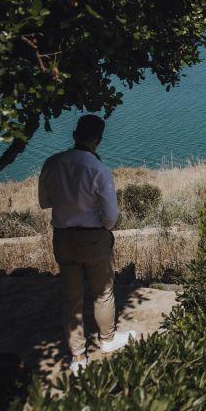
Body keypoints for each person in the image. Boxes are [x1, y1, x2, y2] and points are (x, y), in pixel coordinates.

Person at [38, 114, 135, 375]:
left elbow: (45, 201)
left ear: (74, 135)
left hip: (63, 237)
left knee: (71, 298)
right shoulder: (99, 169)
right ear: (98, 139)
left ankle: (78, 357)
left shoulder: (53, 163)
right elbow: (111, 216)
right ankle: (107, 339)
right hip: (93, 238)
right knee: (102, 292)